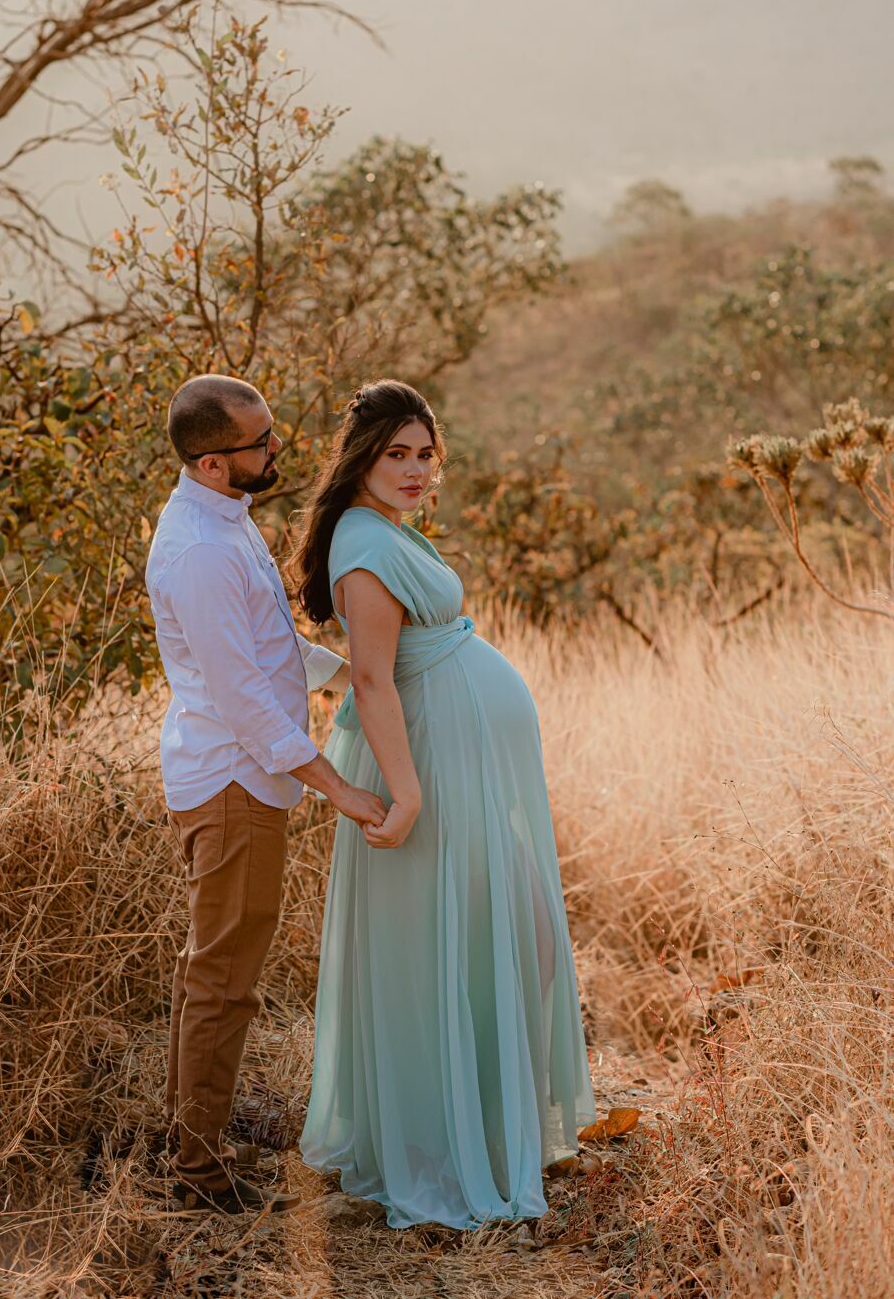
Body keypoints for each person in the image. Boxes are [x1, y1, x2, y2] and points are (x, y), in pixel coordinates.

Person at [290, 379, 596, 1229]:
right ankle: (441, 1145)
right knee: (455, 946)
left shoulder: (386, 531)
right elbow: (374, 679)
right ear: (362, 459)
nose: (418, 470)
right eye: (398, 455)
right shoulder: (362, 548)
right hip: (427, 770)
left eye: (426, 455)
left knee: (508, 934)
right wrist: (410, 790)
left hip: (458, 762)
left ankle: (485, 1125)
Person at [145, 374, 387, 1215]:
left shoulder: (223, 518)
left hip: (239, 775)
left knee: (211, 974)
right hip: (234, 784)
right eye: (261, 442)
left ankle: (193, 1142)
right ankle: (199, 1174)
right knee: (223, 981)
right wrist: (338, 789)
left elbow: (270, 646)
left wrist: (351, 679)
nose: (277, 448)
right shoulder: (204, 551)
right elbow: (245, 698)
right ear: (213, 463)